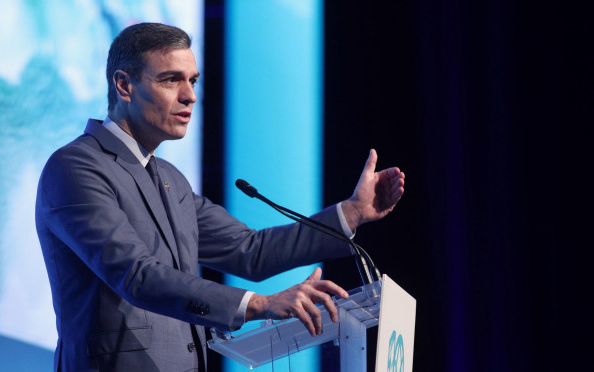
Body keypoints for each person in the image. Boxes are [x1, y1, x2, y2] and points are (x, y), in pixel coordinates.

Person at [35, 23, 405, 372]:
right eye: (171, 80)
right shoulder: (75, 167)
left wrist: (352, 213)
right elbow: (136, 275)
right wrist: (260, 303)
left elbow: (251, 251)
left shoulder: (171, 181)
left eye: (192, 81)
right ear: (124, 85)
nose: (190, 96)